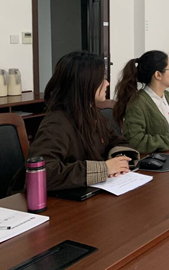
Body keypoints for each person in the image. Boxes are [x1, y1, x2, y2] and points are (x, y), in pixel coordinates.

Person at [11, 52, 139, 192]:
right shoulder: (57, 122)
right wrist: (104, 169)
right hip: (55, 200)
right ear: (85, 82)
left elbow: (118, 141)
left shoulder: (93, 114)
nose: (107, 83)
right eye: (102, 78)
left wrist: (119, 160)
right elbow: (43, 171)